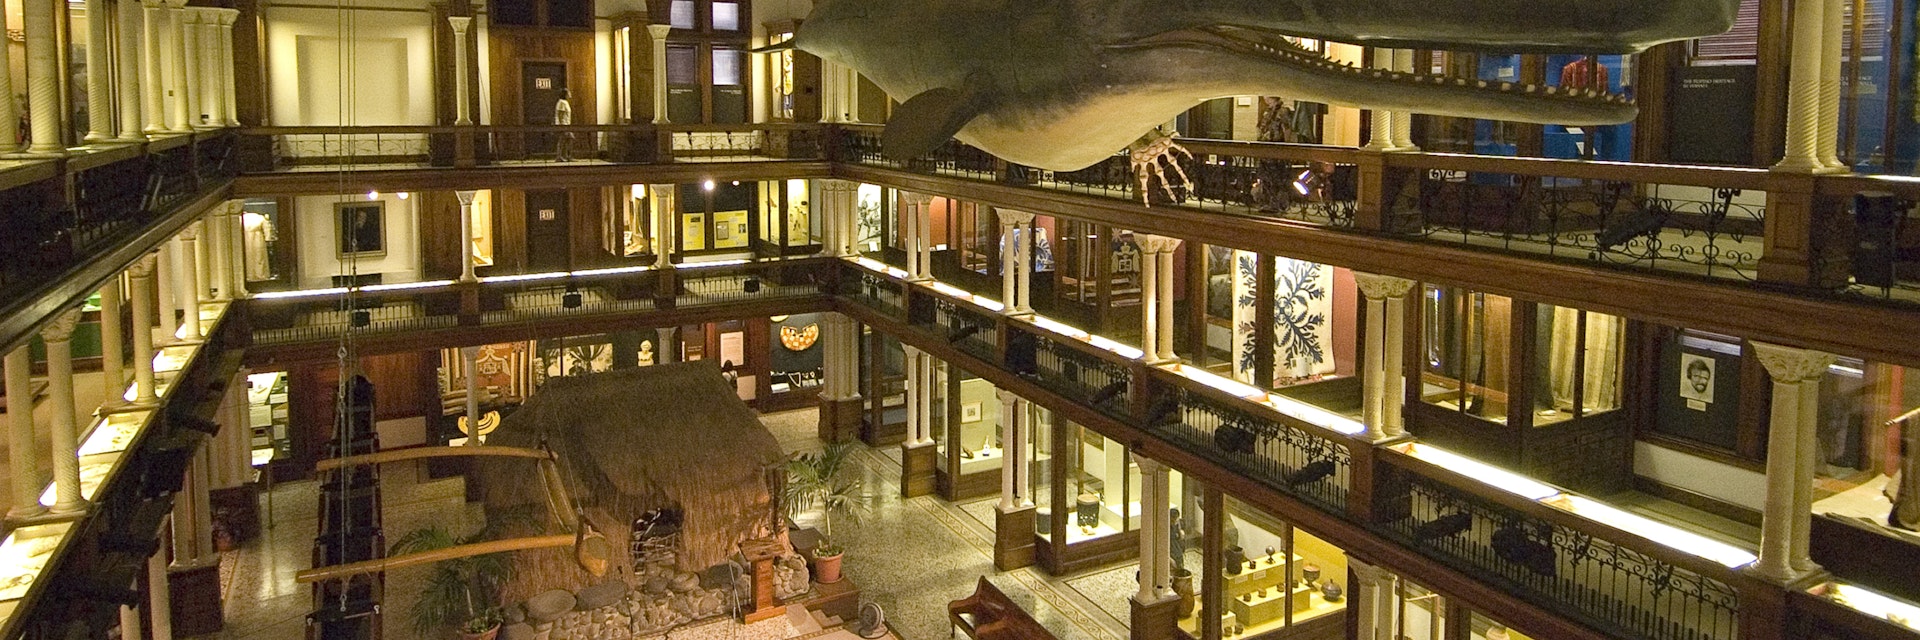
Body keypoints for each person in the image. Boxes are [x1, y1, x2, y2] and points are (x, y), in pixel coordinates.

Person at [553, 88, 574, 161]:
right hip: (564, 124)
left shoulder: (565, 102)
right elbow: (560, 114)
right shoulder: (562, 102)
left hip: (567, 124)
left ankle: (567, 155)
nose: (570, 94)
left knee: (569, 139)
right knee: (562, 140)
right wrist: (561, 125)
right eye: (568, 93)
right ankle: (559, 156)